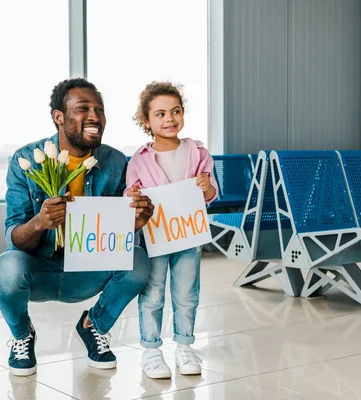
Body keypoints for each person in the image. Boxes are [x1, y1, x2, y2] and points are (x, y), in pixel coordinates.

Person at [0, 77, 155, 377]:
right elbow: (15, 237)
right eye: (82, 109)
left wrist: (137, 223)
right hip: (40, 267)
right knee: (6, 268)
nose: (94, 116)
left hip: (88, 270)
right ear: (59, 117)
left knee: (138, 260)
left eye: (99, 109)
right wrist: (40, 222)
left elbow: (119, 238)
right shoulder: (26, 160)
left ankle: (94, 326)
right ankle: (22, 335)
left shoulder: (116, 162)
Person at [125, 81, 218, 379]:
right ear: (146, 120)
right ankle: (151, 351)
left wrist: (207, 188)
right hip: (155, 237)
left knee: (187, 293)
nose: (170, 119)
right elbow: (132, 196)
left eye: (176, 111)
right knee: (152, 294)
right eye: (161, 114)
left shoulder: (198, 152)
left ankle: (184, 345)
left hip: (189, 236)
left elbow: (210, 192)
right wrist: (133, 198)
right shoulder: (139, 159)